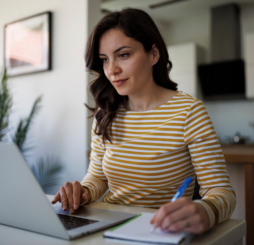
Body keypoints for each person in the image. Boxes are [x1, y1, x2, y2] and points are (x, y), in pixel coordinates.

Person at [52, 8, 236, 235]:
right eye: (104, 60)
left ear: (154, 55)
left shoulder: (189, 112)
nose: (112, 70)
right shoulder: (106, 113)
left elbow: (221, 191)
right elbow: (98, 177)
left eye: (123, 55)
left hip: (161, 232)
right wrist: (84, 191)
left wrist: (206, 211)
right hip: (108, 228)